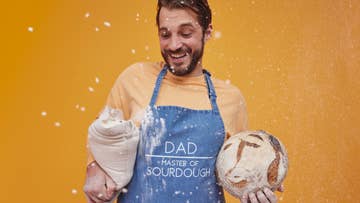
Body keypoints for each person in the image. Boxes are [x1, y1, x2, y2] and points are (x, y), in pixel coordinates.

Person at [83, 0, 284, 202]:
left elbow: (240, 169)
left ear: (207, 32)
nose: (174, 45)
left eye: (186, 33)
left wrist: (259, 181)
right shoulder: (134, 79)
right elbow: (103, 134)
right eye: (165, 34)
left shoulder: (231, 99)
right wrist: (94, 167)